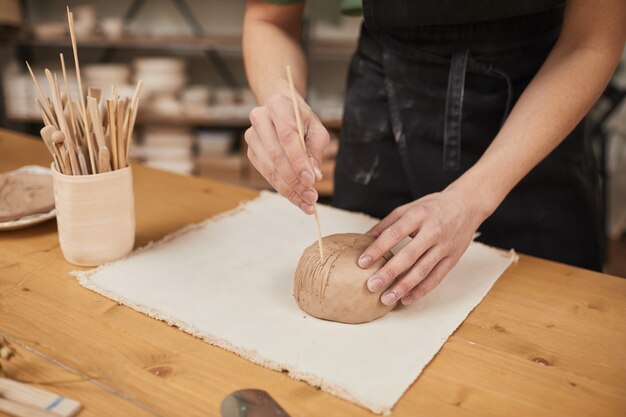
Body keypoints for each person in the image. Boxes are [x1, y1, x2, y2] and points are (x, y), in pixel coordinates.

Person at [242, 0, 626, 307]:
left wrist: (472, 198)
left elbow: (591, 41)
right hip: (384, 97)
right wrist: (280, 98)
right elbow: (270, 20)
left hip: (539, 105)